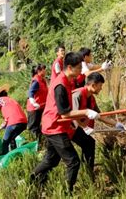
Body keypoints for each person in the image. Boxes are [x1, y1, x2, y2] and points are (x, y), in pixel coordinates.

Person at [31, 52, 100, 193]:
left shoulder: (69, 80)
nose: (81, 70)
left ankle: (88, 175)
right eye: (79, 67)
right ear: (70, 67)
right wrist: (86, 112)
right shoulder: (60, 85)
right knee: (72, 161)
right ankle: (66, 192)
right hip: (54, 127)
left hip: (65, 125)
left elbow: (68, 112)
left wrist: (81, 123)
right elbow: (64, 113)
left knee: (87, 143)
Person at [71, 72, 126, 179]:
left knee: (89, 144)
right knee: (86, 145)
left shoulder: (91, 98)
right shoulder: (77, 95)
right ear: (94, 85)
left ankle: (87, 172)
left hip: (81, 128)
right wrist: (85, 127)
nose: (101, 89)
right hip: (70, 128)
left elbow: (100, 116)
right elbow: (73, 115)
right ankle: (86, 173)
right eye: (100, 86)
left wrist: (117, 124)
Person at [26, 64, 48, 139]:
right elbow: (30, 93)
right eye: (43, 69)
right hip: (34, 108)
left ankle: (40, 142)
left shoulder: (42, 80)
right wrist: (34, 103)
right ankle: (34, 144)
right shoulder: (36, 81)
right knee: (33, 127)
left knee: (39, 126)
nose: (45, 70)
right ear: (39, 71)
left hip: (40, 107)